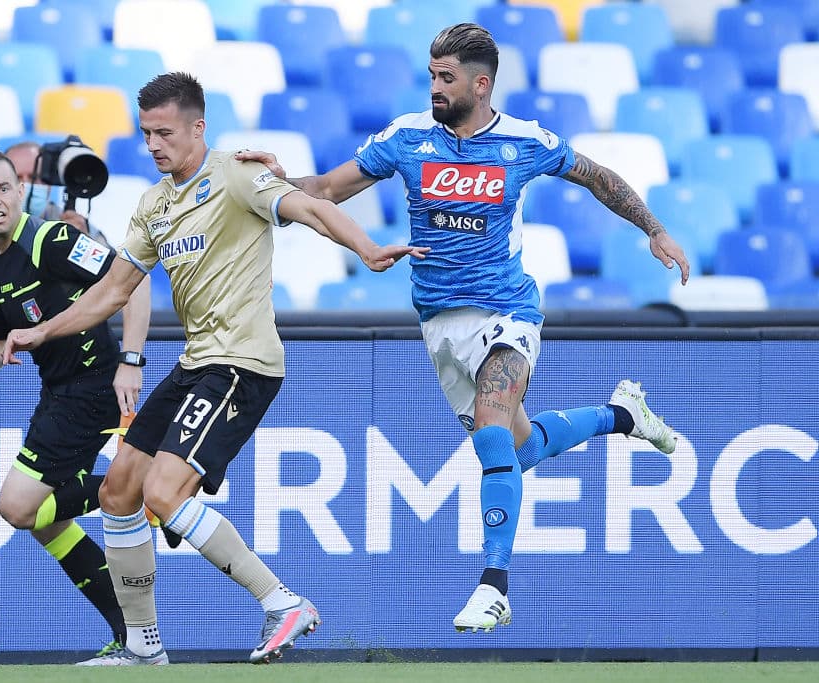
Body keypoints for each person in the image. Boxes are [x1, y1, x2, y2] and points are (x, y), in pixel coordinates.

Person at [236, 23, 691, 634]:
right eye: (430, 75)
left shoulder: (523, 141)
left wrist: (654, 228)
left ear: (481, 83)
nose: (434, 87)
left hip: (508, 312)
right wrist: (269, 182)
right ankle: (622, 415)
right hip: (440, 323)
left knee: (493, 437)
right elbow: (324, 190)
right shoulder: (407, 138)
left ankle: (493, 586)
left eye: (445, 77)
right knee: (521, 450)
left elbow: (597, 176)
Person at [1, 72, 429, 666]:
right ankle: (142, 646)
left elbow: (309, 206)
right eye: (146, 133)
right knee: (121, 491)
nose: (153, 145)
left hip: (242, 363)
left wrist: (366, 249)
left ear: (199, 128)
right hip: (193, 364)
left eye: (165, 132)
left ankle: (282, 603)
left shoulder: (235, 174)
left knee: (162, 491)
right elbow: (113, 291)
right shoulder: (154, 204)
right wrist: (41, 330)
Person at [0, 149, 152, 661]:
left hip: (92, 390)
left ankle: (142, 489)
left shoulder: (52, 240)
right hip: (59, 394)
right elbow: (0, 340)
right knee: (48, 523)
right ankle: (134, 636)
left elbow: (133, 281)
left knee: (17, 507)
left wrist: (130, 361)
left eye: (2, 188)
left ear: (19, 190)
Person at [0, 141, 110, 331]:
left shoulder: (75, 233)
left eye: (35, 178)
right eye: (18, 177)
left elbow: (120, 285)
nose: (28, 185)